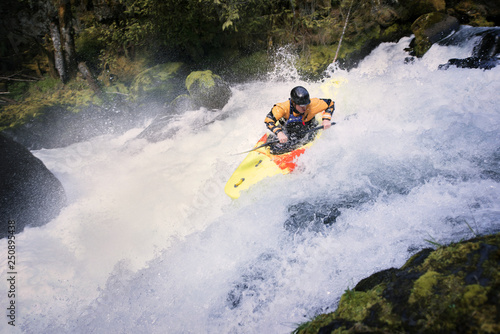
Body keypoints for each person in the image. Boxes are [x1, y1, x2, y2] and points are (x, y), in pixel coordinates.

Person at [264, 86, 334, 154]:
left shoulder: (313, 104)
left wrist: (326, 120)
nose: (304, 108)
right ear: (293, 103)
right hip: (287, 131)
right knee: (273, 147)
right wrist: (279, 133)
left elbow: (330, 103)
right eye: (301, 106)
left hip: (308, 130)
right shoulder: (283, 108)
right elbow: (268, 120)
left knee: (284, 148)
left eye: (306, 105)